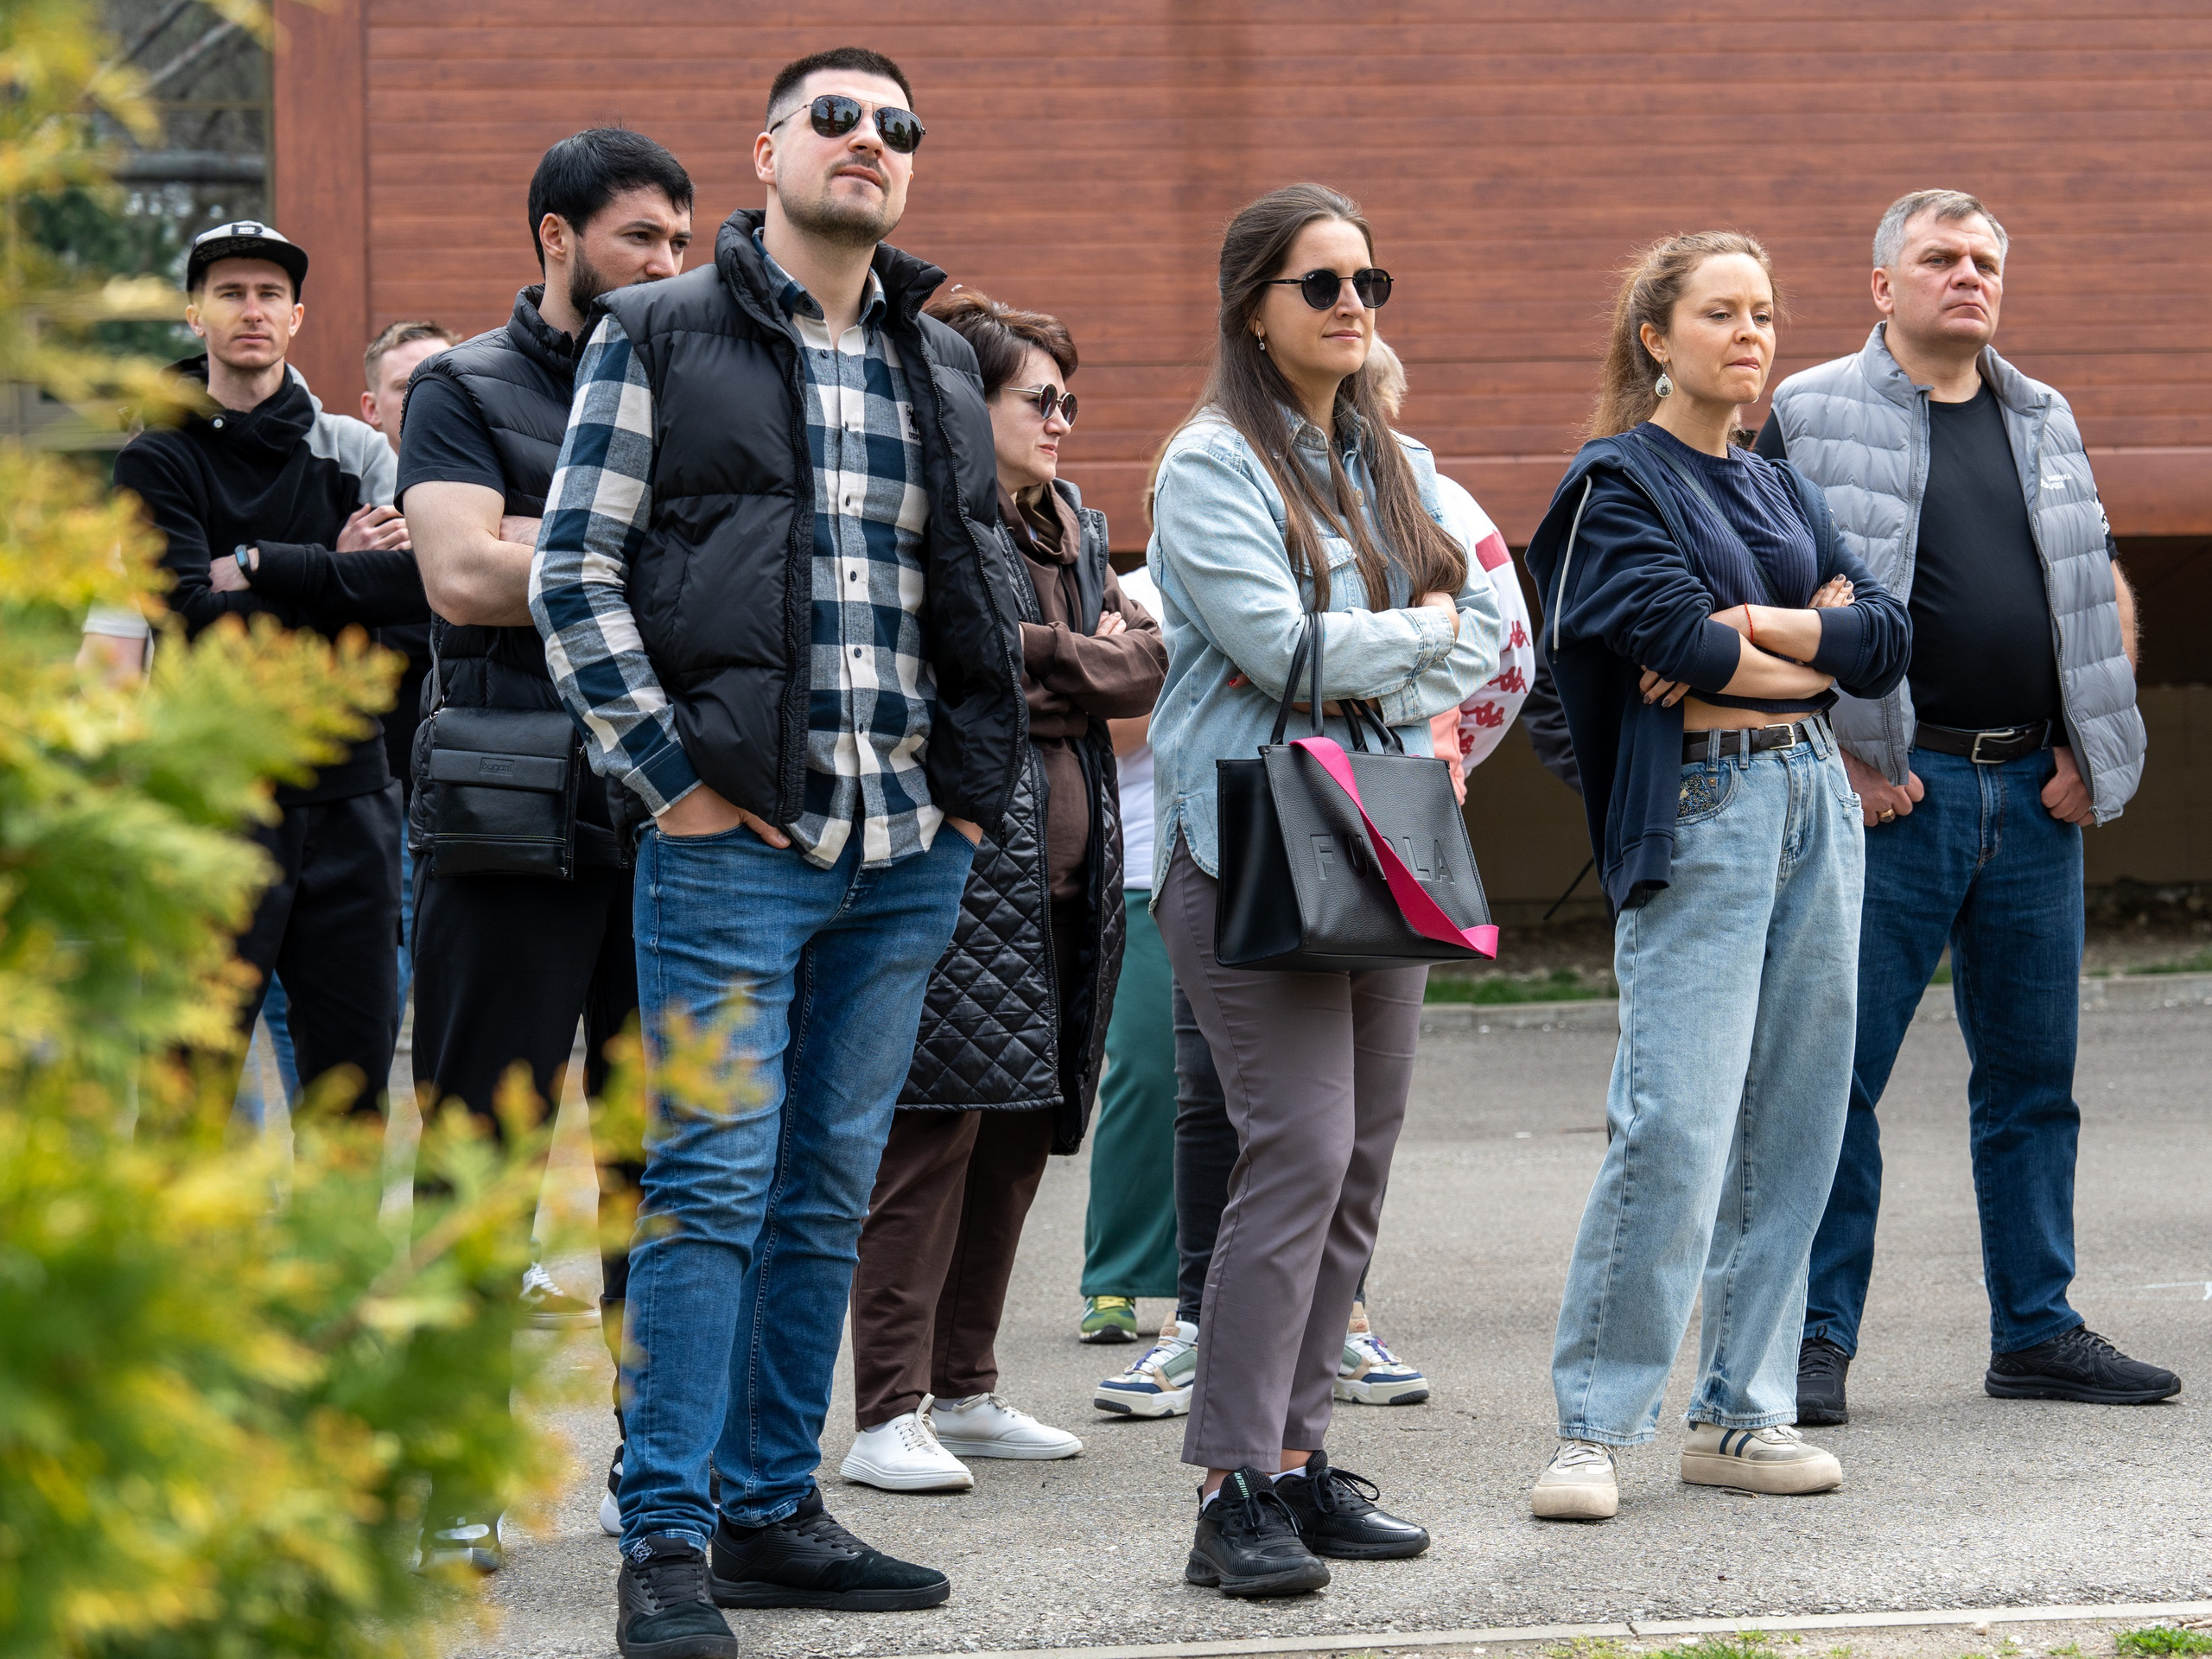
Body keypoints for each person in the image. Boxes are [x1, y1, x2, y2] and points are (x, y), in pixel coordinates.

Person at [528, 48, 1027, 1659]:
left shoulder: (937, 364)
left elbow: (973, 601)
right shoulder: (657, 332)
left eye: (898, 127)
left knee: (822, 1189)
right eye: (837, 117)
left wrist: (967, 792)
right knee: (708, 1187)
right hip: (733, 842)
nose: (870, 142)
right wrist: (669, 777)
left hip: (905, 847)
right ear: (766, 151)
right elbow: (573, 575)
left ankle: (768, 1510)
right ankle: (663, 1533)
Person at [1755, 190, 2173, 1423]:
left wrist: (2097, 744)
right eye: (1941, 259)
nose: (1969, 277)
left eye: (1987, 260)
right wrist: (1836, 758)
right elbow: (1757, 587)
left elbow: (2092, 581)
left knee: (2034, 1083)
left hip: (2035, 798)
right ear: (1883, 285)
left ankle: (2036, 1331)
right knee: (1839, 1080)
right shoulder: (1809, 412)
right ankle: (1815, 1340)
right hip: (1899, 797)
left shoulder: (2044, 415)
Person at [1519, 232, 1913, 1523]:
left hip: (1812, 798)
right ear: (1655, 337)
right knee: (1677, 1122)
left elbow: (1889, 639)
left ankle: (1742, 1416)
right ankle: (1593, 1430)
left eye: (1763, 313)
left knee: (1797, 1121)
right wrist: (1811, 639)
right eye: (1720, 313)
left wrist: (1768, 639)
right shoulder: (1615, 482)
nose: (1751, 335)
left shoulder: (1779, 487)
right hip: (1704, 809)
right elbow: (1670, 635)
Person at [1147, 183, 1501, 1597]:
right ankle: (1231, 1488)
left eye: (1370, 280)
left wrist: (1403, 638)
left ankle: (1298, 1461)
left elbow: (1484, 622)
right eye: (1324, 283)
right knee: (1293, 1148)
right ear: (1254, 307)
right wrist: (1410, 631)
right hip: (1246, 845)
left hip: (1380, 829)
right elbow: (1274, 648)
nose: (1356, 303)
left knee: (1356, 1159)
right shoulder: (1210, 464)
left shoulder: (1392, 458)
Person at [398, 127, 693, 1567]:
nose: (666, 262)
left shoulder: (700, 381)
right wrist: (646, 561)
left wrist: (555, 553)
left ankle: (668, 1482)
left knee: (669, 1175)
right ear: (554, 239)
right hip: (506, 815)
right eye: (640, 235)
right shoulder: (463, 385)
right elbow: (457, 576)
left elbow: (731, 583)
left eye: (681, 239)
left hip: (671, 824)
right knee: (479, 1165)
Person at [842, 289, 1164, 1491]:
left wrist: (1047, 659)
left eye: (1072, 399)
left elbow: (1146, 666)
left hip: (1073, 886)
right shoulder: (924, 516)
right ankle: (887, 1415)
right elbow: (949, 676)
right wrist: (1070, 659)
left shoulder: (1072, 521)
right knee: (927, 1146)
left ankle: (968, 1390)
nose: (1064, 419)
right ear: (967, 409)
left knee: (1023, 1135)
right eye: (1041, 398)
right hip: (963, 873)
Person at [112, 219, 427, 1113]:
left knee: (350, 1093)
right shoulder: (155, 457)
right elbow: (190, 620)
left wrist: (260, 562)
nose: (251, 310)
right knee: (189, 1090)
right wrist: (335, 570)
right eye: (229, 292)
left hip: (348, 797)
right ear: (194, 313)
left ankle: (340, 1260)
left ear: (296, 316)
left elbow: (405, 602)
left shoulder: (353, 449)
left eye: (267, 294)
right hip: (210, 802)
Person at [1073, 554, 1178, 1351]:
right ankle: (1116, 1272)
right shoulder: (1132, 595)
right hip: (1146, 862)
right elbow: (1103, 729)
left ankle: (1199, 1283)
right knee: (1144, 1069)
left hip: (1256, 858)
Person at [359, 320, 458, 1026]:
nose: (422, 398)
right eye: (404, 386)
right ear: (373, 408)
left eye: (436, 379)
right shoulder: (352, 507)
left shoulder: (497, 494)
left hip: (485, 782)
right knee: (379, 968)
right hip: (386, 785)